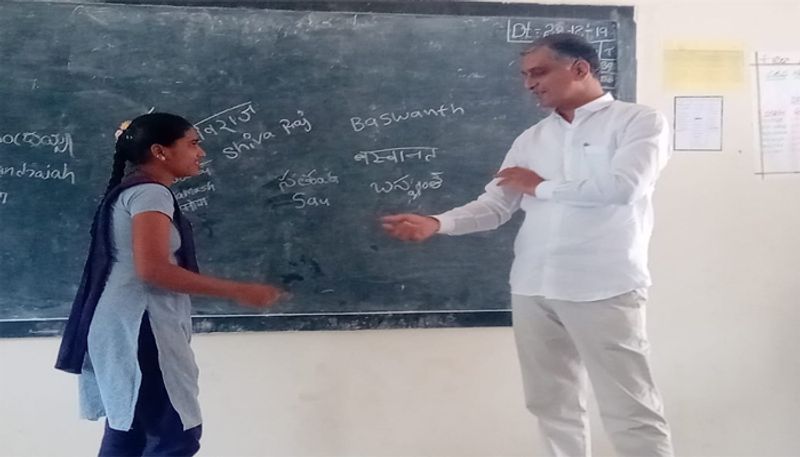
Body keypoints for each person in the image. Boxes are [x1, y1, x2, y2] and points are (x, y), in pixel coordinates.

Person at [381, 33, 674, 457]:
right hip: (533, 286)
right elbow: (495, 206)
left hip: (604, 286)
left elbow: (623, 188)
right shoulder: (531, 139)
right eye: (525, 76)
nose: (529, 84)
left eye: (539, 72)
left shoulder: (638, 121)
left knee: (630, 405)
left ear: (579, 69)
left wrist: (541, 186)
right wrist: (436, 223)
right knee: (550, 404)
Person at [55, 113, 286, 456]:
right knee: (173, 436)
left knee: (130, 432)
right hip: (140, 325)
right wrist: (238, 290)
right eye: (193, 143)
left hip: (121, 323)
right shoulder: (151, 194)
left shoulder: (137, 191)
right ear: (161, 152)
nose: (201, 152)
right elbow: (154, 269)